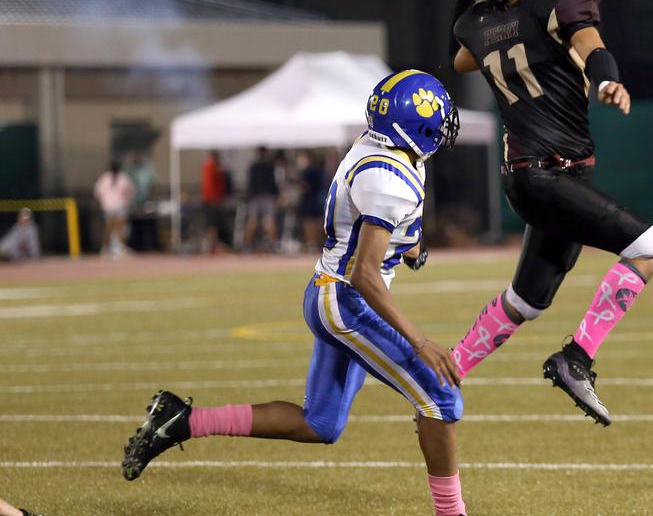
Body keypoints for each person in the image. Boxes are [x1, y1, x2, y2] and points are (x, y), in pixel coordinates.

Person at [122, 70, 468, 516]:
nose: (443, 128)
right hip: (348, 302)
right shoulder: (389, 181)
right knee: (441, 399)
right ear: (414, 127)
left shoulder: (378, 148)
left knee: (320, 423)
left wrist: (411, 246)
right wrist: (421, 342)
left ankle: (182, 421)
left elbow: (372, 226)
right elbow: (364, 272)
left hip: (328, 292)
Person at [447, 0, 653, 425]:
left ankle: (447, 371)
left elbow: (461, 57)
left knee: (524, 301)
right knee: (649, 246)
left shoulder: (480, 23)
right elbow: (595, 51)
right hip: (546, 172)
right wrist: (609, 81)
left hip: (538, 176)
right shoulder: (550, 0)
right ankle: (577, 358)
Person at [93, 159, 135, 258]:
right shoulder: (122, 177)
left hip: (109, 206)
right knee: (118, 229)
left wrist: (104, 201)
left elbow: (97, 192)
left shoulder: (105, 178)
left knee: (111, 228)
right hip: (118, 206)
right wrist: (126, 200)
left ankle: (111, 248)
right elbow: (131, 191)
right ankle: (115, 248)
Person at [243, 146, 279, 251]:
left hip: (256, 196)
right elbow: (273, 184)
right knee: (268, 221)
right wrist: (277, 195)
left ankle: (246, 245)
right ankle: (273, 244)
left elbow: (250, 184)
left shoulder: (253, 167)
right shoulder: (270, 166)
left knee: (253, 221)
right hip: (267, 196)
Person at [200, 150, 229, 253]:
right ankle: (211, 246)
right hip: (211, 200)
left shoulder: (212, 167)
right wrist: (212, 199)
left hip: (213, 199)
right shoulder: (210, 167)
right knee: (212, 225)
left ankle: (213, 245)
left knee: (214, 225)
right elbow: (209, 185)